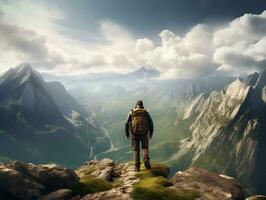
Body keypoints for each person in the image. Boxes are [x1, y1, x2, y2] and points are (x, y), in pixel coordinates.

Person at [125, 100, 154, 172]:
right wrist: (151, 133)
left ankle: (137, 167)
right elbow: (151, 123)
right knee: (145, 147)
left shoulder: (132, 112)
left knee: (136, 149)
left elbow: (126, 123)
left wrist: (127, 133)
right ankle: (146, 160)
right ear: (142, 105)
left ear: (136, 105)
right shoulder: (145, 112)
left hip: (134, 134)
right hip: (144, 134)